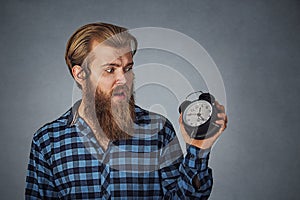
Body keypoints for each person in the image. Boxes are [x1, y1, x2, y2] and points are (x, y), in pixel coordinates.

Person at [25, 22, 228, 199]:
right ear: (80, 74)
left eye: (128, 68)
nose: (124, 79)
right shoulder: (47, 142)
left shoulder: (159, 129)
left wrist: (198, 150)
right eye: (110, 69)